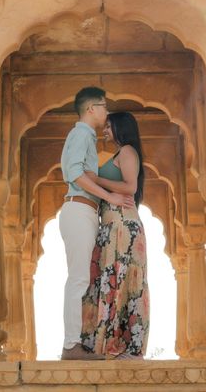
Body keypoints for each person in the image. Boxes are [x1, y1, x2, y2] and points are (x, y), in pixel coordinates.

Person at [59, 87, 135, 361]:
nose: (106, 111)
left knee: (83, 280)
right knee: (78, 279)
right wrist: (110, 196)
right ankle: (70, 346)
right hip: (79, 209)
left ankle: (76, 343)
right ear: (92, 108)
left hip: (84, 211)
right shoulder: (81, 133)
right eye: (104, 106)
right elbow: (74, 172)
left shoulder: (86, 137)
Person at [80, 111, 150, 359]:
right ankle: (105, 344)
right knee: (109, 281)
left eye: (109, 127)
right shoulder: (119, 154)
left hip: (123, 227)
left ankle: (127, 346)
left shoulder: (128, 151)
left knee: (124, 282)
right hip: (112, 226)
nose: (105, 131)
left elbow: (130, 187)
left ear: (121, 128)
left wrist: (96, 179)